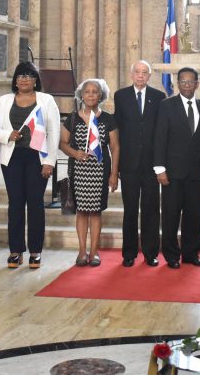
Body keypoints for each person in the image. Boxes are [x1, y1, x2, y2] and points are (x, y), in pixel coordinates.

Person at [0, 61, 61, 269]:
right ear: (15, 80)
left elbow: (54, 131)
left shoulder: (46, 100)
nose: (24, 79)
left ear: (35, 80)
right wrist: (7, 135)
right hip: (12, 158)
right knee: (15, 203)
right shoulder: (4, 100)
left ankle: (35, 251)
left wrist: (50, 161)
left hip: (37, 158)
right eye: (20, 76)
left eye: (29, 76)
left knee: (35, 204)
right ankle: (15, 251)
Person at [153, 67, 200, 269]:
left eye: (191, 82)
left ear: (197, 84)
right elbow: (160, 138)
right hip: (171, 172)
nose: (187, 85)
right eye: (183, 82)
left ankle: (191, 253)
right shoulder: (166, 106)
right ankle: (171, 255)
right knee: (171, 215)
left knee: (195, 215)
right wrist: (159, 168)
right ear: (177, 84)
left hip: (196, 173)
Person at [59, 78, 120, 267]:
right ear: (81, 95)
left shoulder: (108, 118)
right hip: (78, 171)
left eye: (95, 92)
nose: (91, 95)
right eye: (87, 92)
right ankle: (82, 252)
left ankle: (94, 253)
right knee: (81, 212)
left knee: (95, 213)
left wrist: (114, 174)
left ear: (100, 95)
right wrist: (75, 153)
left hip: (100, 171)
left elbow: (115, 148)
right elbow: (62, 143)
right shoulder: (73, 118)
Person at [113, 60, 165, 267]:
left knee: (151, 209)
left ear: (149, 76)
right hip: (129, 164)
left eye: (145, 73)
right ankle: (129, 253)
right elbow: (117, 130)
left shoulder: (159, 97)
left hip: (152, 165)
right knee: (131, 209)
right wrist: (115, 166)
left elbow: (161, 133)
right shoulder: (121, 95)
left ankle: (151, 252)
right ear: (132, 74)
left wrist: (161, 164)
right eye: (137, 72)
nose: (141, 76)